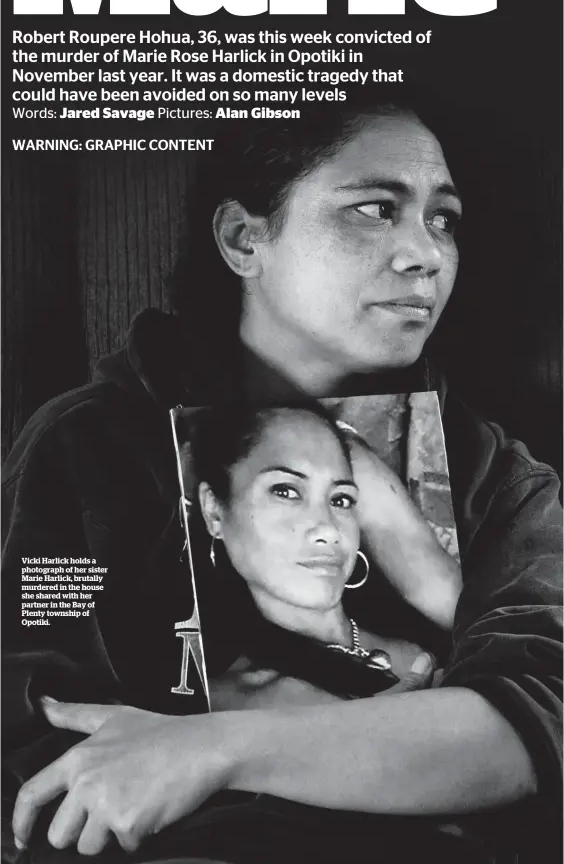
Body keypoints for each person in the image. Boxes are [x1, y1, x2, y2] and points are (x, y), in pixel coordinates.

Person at [2, 96, 562, 864]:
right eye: (375, 208)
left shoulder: (487, 470)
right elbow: (40, 741)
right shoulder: (86, 447)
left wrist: (219, 748)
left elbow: (545, 711)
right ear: (243, 239)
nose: (426, 254)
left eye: (444, 219)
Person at [190, 402, 459, 709]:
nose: (328, 529)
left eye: (341, 499)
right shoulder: (227, 711)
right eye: (285, 491)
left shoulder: (428, 630)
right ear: (213, 510)